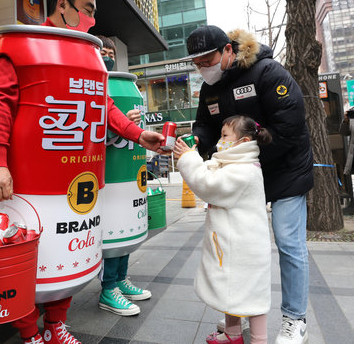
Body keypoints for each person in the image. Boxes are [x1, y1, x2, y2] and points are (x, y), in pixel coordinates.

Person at [0, 0, 166, 344]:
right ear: (61, 5)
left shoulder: (86, 53)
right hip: (26, 182)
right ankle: (28, 333)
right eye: (86, 10)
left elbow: (104, 105)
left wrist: (135, 133)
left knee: (68, 255)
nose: (92, 20)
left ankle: (55, 327)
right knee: (26, 260)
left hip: (74, 179)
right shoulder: (21, 45)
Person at [183, 25, 313, 344]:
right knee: (234, 243)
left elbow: (290, 123)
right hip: (245, 172)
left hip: (285, 169)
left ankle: (295, 318)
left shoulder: (267, 72)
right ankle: (235, 315)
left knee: (288, 241)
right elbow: (205, 127)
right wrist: (194, 142)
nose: (203, 68)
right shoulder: (209, 89)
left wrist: (248, 157)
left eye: (207, 60)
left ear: (228, 50)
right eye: (196, 64)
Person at [174, 115, 272, 344]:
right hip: (236, 244)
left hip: (244, 249)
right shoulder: (235, 164)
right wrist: (190, 155)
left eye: (225, 135)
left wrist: (188, 159)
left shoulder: (244, 171)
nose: (220, 140)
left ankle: (259, 340)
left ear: (242, 141)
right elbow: (210, 171)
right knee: (232, 291)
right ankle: (232, 334)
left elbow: (209, 184)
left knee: (252, 299)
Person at [94, 35, 152, 316]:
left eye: (110, 52)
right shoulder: (92, 85)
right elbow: (89, 134)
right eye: (102, 51)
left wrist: (132, 126)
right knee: (111, 232)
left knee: (127, 226)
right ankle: (108, 288)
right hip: (105, 177)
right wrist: (121, 126)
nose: (107, 56)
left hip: (129, 175)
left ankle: (121, 280)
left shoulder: (126, 86)